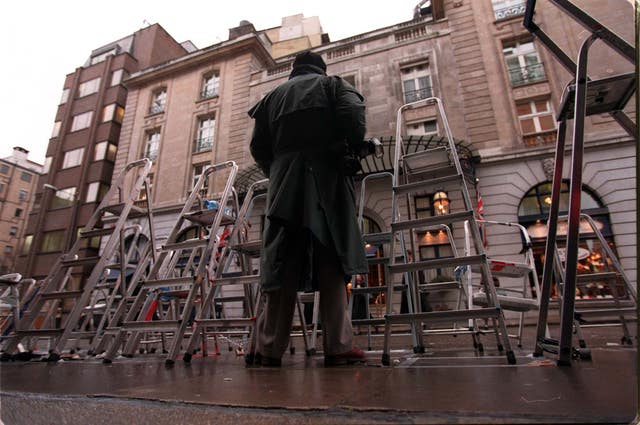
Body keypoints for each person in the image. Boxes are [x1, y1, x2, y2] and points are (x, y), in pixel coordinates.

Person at [246, 50, 369, 367]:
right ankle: (338, 347)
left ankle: (268, 349)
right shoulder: (333, 86)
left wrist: (280, 170)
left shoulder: (271, 98)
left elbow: (258, 148)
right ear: (320, 69)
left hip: (284, 184)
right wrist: (348, 147)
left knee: (281, 263)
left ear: (293, 70)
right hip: (326, 178)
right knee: (333, 259)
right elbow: (354, 117)